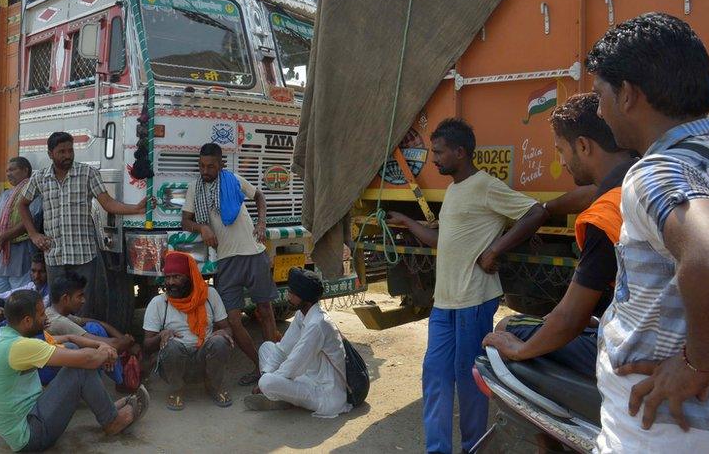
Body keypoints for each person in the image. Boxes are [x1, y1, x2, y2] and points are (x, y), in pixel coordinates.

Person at [586, 13, 709, 450]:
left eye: (600, 96)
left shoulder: (658, 171)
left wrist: (696, 364)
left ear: (628, 95)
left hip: (665, 432)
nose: (598, 111)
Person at [386, 118, 548, 454]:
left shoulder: (485, 185)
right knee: (435, 377)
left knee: (468, 379)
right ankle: (438, 449)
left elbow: (534, 213)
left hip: (474, 300)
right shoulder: (454, 189)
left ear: (461, 152)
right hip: (444, 303)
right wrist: (408, 222)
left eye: (440, 152)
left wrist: (494, 250)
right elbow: (440, 241)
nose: (434, 159)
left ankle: (472, 447)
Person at [482, 93, 636, 378]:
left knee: (508, 328)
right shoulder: (644, 176)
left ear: (583, 146)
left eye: (561, 150)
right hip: (667, 339)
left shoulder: (605, 216)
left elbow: (570, 319)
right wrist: (547, 209)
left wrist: (519, 349)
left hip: (634, 352)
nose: (562, 162)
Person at [0, 289, 148, 451]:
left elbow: (68, 339)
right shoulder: (20, 346)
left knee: (70, 348)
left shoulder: (10, 337)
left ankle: (107, 409)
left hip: (23, 422)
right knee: (80, 368)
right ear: (27, 321)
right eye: (41, 314)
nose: (46, 317)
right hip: (30, 435)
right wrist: (105, 354)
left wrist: (101, 346)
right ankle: (112, 421)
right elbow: (87, 360)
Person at [180, 143, 277, 386]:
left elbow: (259, 197)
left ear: (221, 164)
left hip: (254, 254)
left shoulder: (234, 180)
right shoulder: (195, 188)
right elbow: (185, 221)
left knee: (265, 311)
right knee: (233, 320)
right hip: (226, 261)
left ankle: (273, 367)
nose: (205, 170)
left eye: (210, 166)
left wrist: (262, 223)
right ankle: (260, 367)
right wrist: (202, 227)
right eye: (201, 166)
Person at [19, 131, 149, 295]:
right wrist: (33, 234)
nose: (67, 155)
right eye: (62, 152)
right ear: (50, 154)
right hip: (54, 256)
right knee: (58, 310)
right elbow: (22, 205)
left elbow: (108, 204)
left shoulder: (88, 173)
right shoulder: (40, 177)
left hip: (83, 256)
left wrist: (136, 208)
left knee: (83, 307)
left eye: (70, 150)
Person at [244, 267, 351, 418]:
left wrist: (268, 383)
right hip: (307, 377)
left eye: (291, 293)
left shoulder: (317, 324)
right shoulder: (303, 315)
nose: (288, 296)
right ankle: (281, 396)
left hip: (325, 394)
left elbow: (294, 364)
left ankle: (280, 396)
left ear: (304, 298)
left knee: (267, 382)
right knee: (267, 348)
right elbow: (283, 349)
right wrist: (269, 375)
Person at [143, 251, 234, 410]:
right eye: (168, 278)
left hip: (203, 358)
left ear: (190, 277)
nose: (171, 282)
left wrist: (224, 332)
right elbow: (147, 345)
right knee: (171, 346)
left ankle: (214, 386)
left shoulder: (209, 295)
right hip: (174, 364)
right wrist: (161, 336)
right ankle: (176, 390)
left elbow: (227, 328)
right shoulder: (158, 303)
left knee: (220, 341)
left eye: (176, 277)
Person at [0, 157, 41, 295]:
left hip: (21, 257)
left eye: (13, 169)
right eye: (7, 171)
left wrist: (1, 238)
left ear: (25, 171)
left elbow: (28, 222)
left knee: (20, 297)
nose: (8, 174)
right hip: (1, 260)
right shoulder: (6, 194)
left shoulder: (33, 193)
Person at [46, 276, 137, 354]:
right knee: (104, 346)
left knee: (94, 326)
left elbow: (95, 322)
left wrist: (121, 338)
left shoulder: (53, 312)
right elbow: (111, 344)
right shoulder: (59, 322)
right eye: (79, 296)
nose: (83, 301)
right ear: (65, 298)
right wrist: (126, 342)